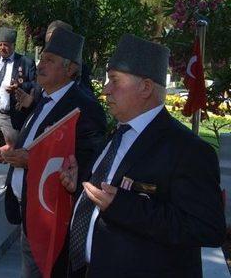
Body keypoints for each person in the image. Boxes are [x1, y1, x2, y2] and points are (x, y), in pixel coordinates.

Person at [62, 34, 226, 277]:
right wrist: (78, 183)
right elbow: (105, 191)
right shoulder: (117, 132)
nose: (106, 90)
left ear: (146, 87)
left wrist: (124, 206)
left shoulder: (189, 150)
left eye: (114, 81)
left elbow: (207, 228)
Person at [0, 27, 106, 278]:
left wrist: (31, 160)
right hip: (29, 213)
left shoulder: (85, 109)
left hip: (54, 221)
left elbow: (88, 166)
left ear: (70, 69)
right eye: (42, 58)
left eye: (49, 60)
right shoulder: (43, 97)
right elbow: (39, 142)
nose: (40, 65)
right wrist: (15, 148)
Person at [0, 27, 37, 148]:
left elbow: (35, 85)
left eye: (5, 45)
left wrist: (19, 87)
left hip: (12, 116)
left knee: (12, 152)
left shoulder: (25, 62)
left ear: (13, 45)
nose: (2, 48)